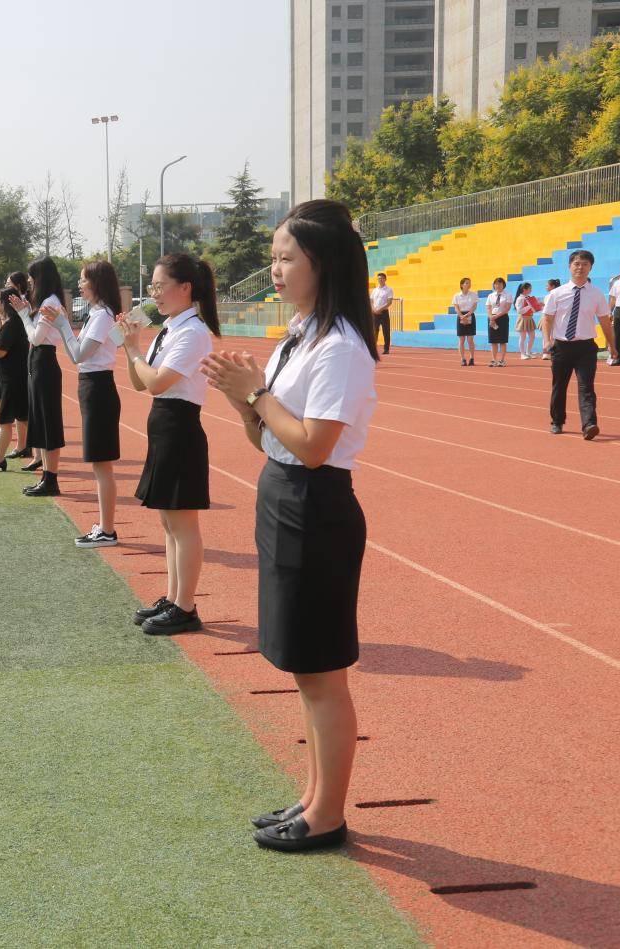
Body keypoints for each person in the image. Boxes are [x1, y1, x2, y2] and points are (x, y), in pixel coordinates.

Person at [200, 199, 377, 853]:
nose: (273, 268)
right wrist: (240, 398)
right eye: (273, 256)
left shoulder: (341, 348)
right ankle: (312, 796)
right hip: (284, 499)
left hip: (317, 508)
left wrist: (255, 393)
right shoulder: (299, 335)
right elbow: (269, 439)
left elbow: (310, 444)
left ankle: (327, 814)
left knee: (323, 674)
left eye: (285, 258)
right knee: (306, 670)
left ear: (321, 264)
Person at [123, 253, 220, 636]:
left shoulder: (193, 332)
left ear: (185, 288)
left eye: (160, 286)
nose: (155, 294)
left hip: (180, 428)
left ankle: (186, 605)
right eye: (153, 287)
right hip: (163, 426)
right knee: (167, 520)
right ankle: (173, 596)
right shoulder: (169, 328)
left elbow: (158, 382)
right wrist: (133, 345)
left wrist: (132, 350)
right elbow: (138, 382)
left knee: (182, 521)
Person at [52, 260, 123, 547]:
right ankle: (105, 527)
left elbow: (79, 354)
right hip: (92, 386)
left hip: (99, 388)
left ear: (97, 283)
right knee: (98, 464)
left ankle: (107, 530)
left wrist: (62, 325)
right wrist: (64, 326)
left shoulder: (103, 315)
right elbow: (77, 355)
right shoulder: (98, 313)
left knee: (101, 464)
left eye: (84, 280)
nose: (80, 284)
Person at [542, 249, 613, 439]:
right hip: (562, 347)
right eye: (576, 264)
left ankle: (589, 424)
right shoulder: (556, 293)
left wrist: (613, 347)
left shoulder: (597, 294)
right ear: (569, 266)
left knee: (586, 387)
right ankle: (557, 421)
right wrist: (546, 340)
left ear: (591, 267)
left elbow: (605, 322)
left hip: (586, 348)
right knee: (559, 386)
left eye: (585, 264)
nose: (580, 267)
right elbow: (547, 318)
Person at [18, 256, 69, 496]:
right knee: (40, 420)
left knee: (48, 422)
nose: (29, 282)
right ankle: (47, 477)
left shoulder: (51, 302)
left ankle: (52, 479)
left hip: (45, 361)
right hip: (38, 362)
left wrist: (22, 316)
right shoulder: (45, 301)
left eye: (32, 277)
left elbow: (36, 337)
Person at [0, 290, 30, 471]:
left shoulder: (13, 324)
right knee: (23, 419)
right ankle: (37, 456)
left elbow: (0, 350)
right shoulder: (12, 323)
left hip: (12, 380)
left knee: (6, 421)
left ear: (4, 304)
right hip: (13, 378)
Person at [486, 277, 512, 367]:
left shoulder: (507, 295)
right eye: (496, 284)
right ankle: (494, 360)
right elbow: (488, 307)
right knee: (493, 341)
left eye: (500, 284)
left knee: (502, 340)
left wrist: (496, 316)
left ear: (503, 285)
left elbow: (507, 308)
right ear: (494, 285)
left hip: (502, 318)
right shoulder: (491, 295)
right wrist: (491, 317)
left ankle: (502, 360)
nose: (498, 286)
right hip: (492, 318)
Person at [453, 277, 478, 366]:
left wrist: (467, 315)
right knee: (461, 339)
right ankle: (462, 359)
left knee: (470, 339)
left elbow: (474, 306)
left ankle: (472, 358)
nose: (469, 284)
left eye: (469, 283)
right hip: (460, 316)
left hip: (470, 315)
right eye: (466, 283)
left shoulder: (473, 294)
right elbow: (456, 307)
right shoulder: (456, 296)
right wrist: (461, 316)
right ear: (461, 285)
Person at [369, 272, 393, 355]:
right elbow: (371, 300)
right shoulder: (375, 290)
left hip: (384, 313)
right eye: (379, 278)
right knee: (374, 331)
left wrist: (380, 309)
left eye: (382, 278)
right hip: (375, 313)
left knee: (386, 331)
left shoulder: (389, 289)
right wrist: (373, 309)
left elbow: (389, 302)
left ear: (385, 279)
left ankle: (386, 349)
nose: (380, 280)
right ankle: (373, 348)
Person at [514, 282, 539, 360]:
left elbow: (534, 310)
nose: (531, 290)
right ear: (524, 289)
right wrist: (529, 306)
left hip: (529, 318)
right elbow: (519, 311)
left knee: (532, 336)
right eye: (529, 288)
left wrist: (537, 306)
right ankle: (522, 354)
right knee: (523, 337)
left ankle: (528, 352)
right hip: (523, 318)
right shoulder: (520, 299)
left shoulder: (529, 297)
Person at [540, 277, 561, 359]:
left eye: (547, 286)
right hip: (554, 319)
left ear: (552, 286)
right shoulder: (552, 295)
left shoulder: (551, 295)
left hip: (551, 319)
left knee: (548, 335)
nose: (546, 287)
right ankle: (548, 352)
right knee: (551, 336)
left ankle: (547, 353)